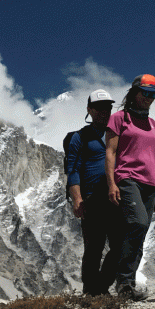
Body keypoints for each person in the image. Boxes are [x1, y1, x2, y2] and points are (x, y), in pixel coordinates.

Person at [106, 74, 155, 301]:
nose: (149, 98)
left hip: (149, 184)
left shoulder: (154, 125)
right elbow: (110, 152)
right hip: (127, 178)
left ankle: (127, 286)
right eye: (145, 93)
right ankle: (123, 282)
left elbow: (153, 157)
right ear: (134, 92)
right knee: (137, 223)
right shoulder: (119, 119)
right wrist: (111, 183)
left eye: (153, 95)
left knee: (140, 232)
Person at [64, 89, 122, 295]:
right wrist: (77, 198)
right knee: (94, 247)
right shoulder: (80, 138)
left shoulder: (116, 134)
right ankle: (91, 290)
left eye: (107, 107)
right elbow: (72, 170)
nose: (103, 111)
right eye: (98, 108)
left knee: (120, 246)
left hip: (115, 197)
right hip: (91, 198)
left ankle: (100, 286)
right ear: (89, 110)